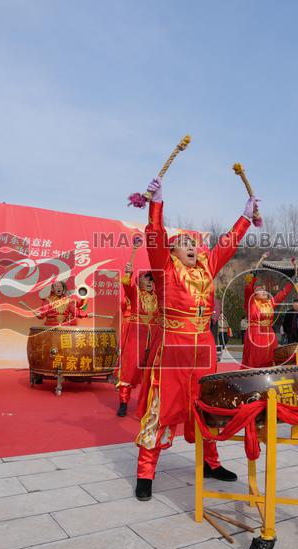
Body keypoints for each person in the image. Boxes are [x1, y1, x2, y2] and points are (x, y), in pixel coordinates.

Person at [133, 177, 254, 501]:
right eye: (182, 242)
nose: (190, 246)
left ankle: (210, 463)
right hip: (173, 348)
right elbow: (155, 236)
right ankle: (146, 470)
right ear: (171, 250)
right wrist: (157, 204)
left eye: (193, 243)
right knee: (162, 409)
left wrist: (244, 217)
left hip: (203, 350)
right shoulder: (164, 270)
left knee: (206, 405)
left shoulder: (206, 268)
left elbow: (227, 245)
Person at [116, 264, 157, 417]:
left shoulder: (159, 296)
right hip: (136, 336)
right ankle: (123, 402)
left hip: (154, 337)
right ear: (138, 281)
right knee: (129, 369)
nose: (148, 282)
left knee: (153, 372)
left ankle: (150, 405)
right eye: (145, 278)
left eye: (151, 280)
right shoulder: (135, 294)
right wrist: (128, 273)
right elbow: (126, 284)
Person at [241, 264, 295, 368]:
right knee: (257, 357)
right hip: (255, 332)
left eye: (265, 290)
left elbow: (281, 295)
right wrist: (253, 277)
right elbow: (248, 289)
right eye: (260, 290)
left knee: (270, 357)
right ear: (255, 294)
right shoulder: (251, 302)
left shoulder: (270, 303)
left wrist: (290, 284)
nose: (264, 292)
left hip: (269, 333)